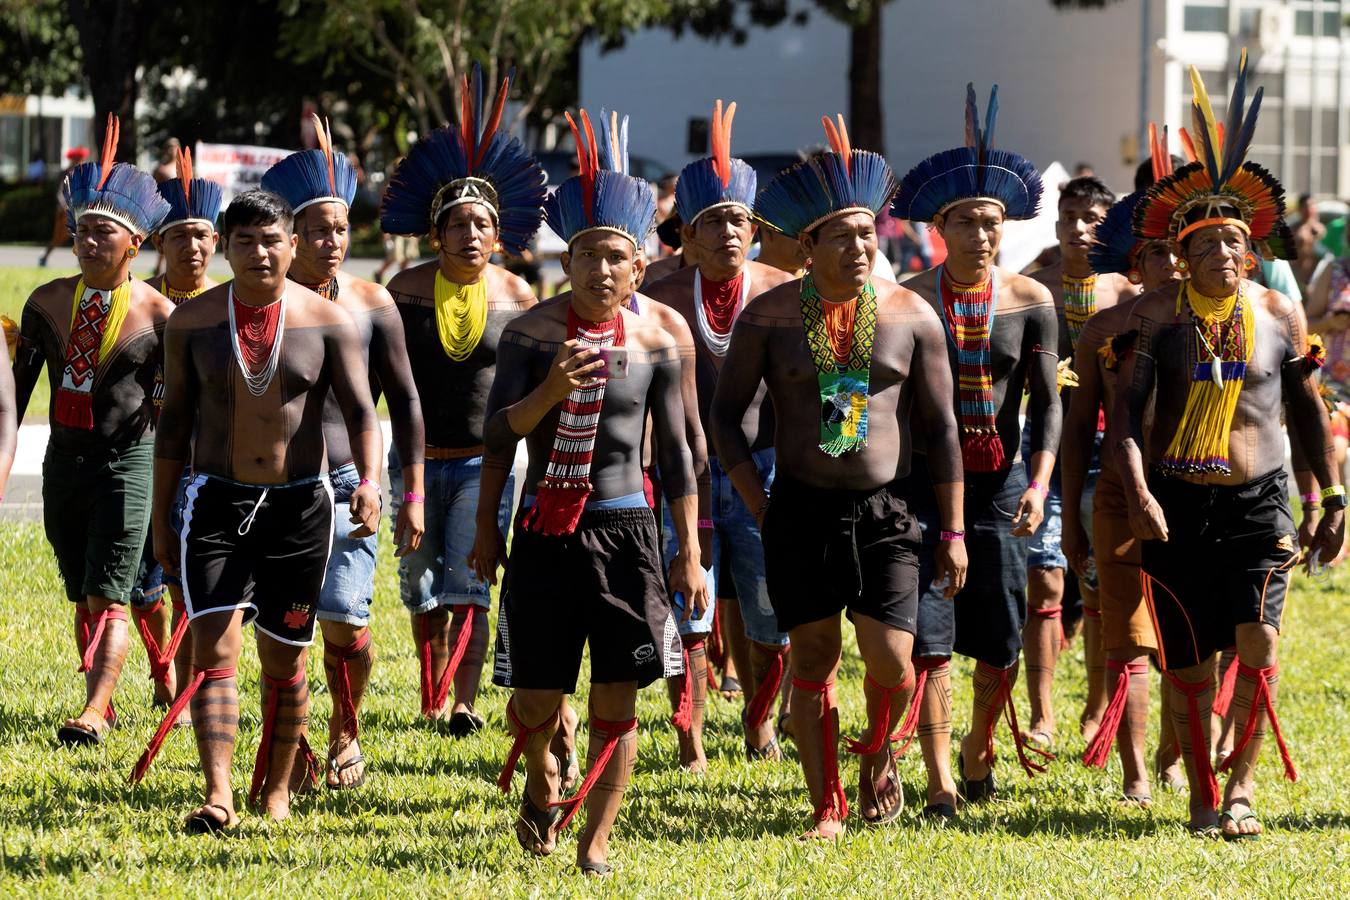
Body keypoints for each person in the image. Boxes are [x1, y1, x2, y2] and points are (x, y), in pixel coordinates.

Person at [713, 114, 967, 839]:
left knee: (892, 661)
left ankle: (877, 756)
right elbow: (725, 418)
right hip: (800, 508)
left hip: (887, 510)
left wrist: (951, 532)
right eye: (843, 236)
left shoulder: (911, 316)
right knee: (815, 656)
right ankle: (826, 808)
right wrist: (757, 502)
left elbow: (942, 430)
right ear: (807, 245)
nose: (860, 247)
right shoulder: (769, 319)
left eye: (867, 234)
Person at [1111, 56, 1345, 839]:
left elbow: (1308, 410)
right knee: (1189, 666)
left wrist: (1330, 495)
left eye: (1236, 241)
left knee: (1261, 638)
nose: (1224, 254)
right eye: (1208, 242)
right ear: (1182, 254)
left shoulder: (1279, 314)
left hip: (1260, 500)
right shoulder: (1155, 321)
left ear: (1251, 251)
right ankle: (1201, 794)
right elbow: (1124, 423)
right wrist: (1140, 495)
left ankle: (1239, 790)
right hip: (1176, 503)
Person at [482, 109, 706, 876]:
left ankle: (596, 840)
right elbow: (497, 434)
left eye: (616, 258)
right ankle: (543, 768)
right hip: (544, 530)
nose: (601, 271)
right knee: (537, 702)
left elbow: (676, 455)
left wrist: (690, 555)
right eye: (587, 257)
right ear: (565, 262)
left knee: (619, 699)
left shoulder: (656, 344)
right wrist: (547, 395)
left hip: (626, 529)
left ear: (638, 269)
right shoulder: (532, 335)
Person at [133, 189, 383, 831]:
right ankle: (218, 793)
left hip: (300, 509)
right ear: (226, 246)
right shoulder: (192, 323)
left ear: (292, 245)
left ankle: (274, 791)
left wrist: (374, 483)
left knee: (286, 659)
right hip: (214, 503)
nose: (260, 253)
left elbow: (362, 413)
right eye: (244, 241)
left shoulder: (327, 321)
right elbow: (174, 426)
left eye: (271, 240)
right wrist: (163, 518)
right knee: (215, 650)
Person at [890, 84, 1061, 813]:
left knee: (999, 643)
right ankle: (938, 780)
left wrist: (1038, 484)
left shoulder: (1030, 302)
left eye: (992, 224)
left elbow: (1050, 402)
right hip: (917, 484)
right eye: (966, 223)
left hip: (1000, 483)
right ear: (940, 227)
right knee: (929, 639)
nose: (981, 236)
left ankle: (979, 742)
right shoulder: (905, 298)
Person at [379, 66, 547, 733]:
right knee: (420, 589)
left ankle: (464, 702)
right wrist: (406, 481)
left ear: (498, 234)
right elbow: (383, 385)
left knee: (472, 583)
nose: (470, 235)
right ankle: (431, 690)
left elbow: (536, 391)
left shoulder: (518, 299)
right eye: (458, 224)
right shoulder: (402, 289)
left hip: (486, 464)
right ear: (435, 232)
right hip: (414, 461)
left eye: (482, 224)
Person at [260, 116, 426, 788]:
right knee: (286, 627)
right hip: (275, 486)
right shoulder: (263, 303)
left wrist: (404, 490)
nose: (333, 241)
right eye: (318, 229)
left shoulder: (371, 303)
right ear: (292, 235)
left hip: (352, 480)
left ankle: (344, 727)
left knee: (344, 622)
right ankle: (293, 740)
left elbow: (406, 404)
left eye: (341, 227)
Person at [11, 115, 172, 746]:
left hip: (128, 465)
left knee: (109, 594)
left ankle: (96, 708)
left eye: (101, 232)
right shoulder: (46, 302)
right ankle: (146, 676)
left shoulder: (160, 316)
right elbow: (15, 396)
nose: (86, 241)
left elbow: (177, 410)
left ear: (133, 243)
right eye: (80, 230)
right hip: (63, 464)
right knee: (83, 590)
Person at [643, 100, 794, 767]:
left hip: (766, 471)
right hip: (685, 475)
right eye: (714, 223)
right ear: (689, 235)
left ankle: (760, 721)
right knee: (688, 608)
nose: (729, 232)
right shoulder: (657, 295)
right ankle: (689, 734)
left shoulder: (787, 290)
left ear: (754, 227)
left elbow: (827, 384)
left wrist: (832, 457)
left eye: (739, 219)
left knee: (769, 610)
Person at [1065, 136, 1181, 805]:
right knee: (1128, 637)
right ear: (1133, 263)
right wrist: (1073, 528)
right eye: (1153, 253)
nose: (1168, 263)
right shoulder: (1103, 327)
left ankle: (1173, 754)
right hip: (1115, 494)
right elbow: (1082, 427)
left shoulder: (1219, 322)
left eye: (1176, 248)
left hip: (1197, 493)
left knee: (1190, 642)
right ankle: (1137, 772)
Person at [1021, 175, 1139, 750]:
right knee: (1044, 579)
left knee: (1097, 585)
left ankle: (1095, 706)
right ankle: (1041, 713)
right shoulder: (1034, 289)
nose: (1079, 228)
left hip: (1107, 452)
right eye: (1070, 216)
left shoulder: (1124, 293)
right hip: (1043, 448)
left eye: (1093, 219)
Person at [128, 145, 225, 717]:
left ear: (215, 243)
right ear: (159, 243)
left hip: (209, 462)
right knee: (146, 582)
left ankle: (180, 684)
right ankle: (159, 665)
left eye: (201, 236)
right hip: (143, 456)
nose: (191, 246)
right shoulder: (139, 302)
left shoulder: (227, 303)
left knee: (192, 584)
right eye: (178, 236)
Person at [38, 147, 90, 267]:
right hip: (65, 210)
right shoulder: (66, 172)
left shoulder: (83, 174)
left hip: (77, 210)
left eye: (81, 159)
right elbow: (59, 192)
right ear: (73, 159)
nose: (80, 161)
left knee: (79, 235)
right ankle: (44, 257)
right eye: (77, 159)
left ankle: (80, 262)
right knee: (58, 238)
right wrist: (63, 206)